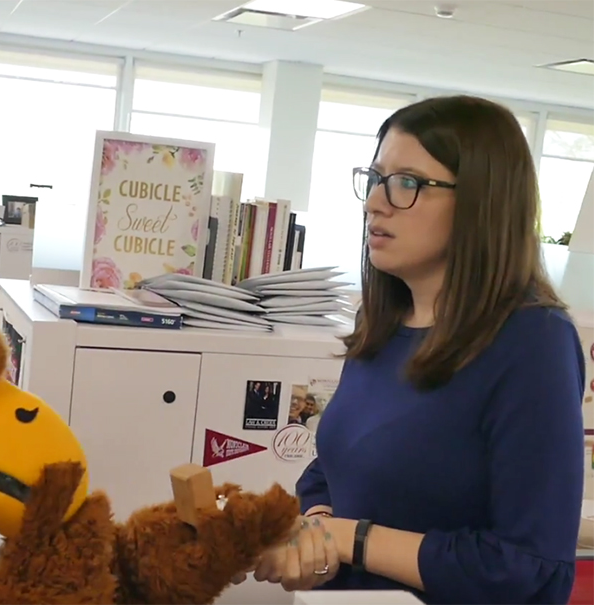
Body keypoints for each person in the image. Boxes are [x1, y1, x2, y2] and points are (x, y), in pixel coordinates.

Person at [243, 95, 585, 604]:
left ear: (481, 202)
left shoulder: (534, 341)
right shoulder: (380, 324)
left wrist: (350, 539)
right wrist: (316, 533)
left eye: (407, 183)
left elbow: (529, 567)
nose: (374, 202)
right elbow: (335, 467)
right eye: (375, 178)